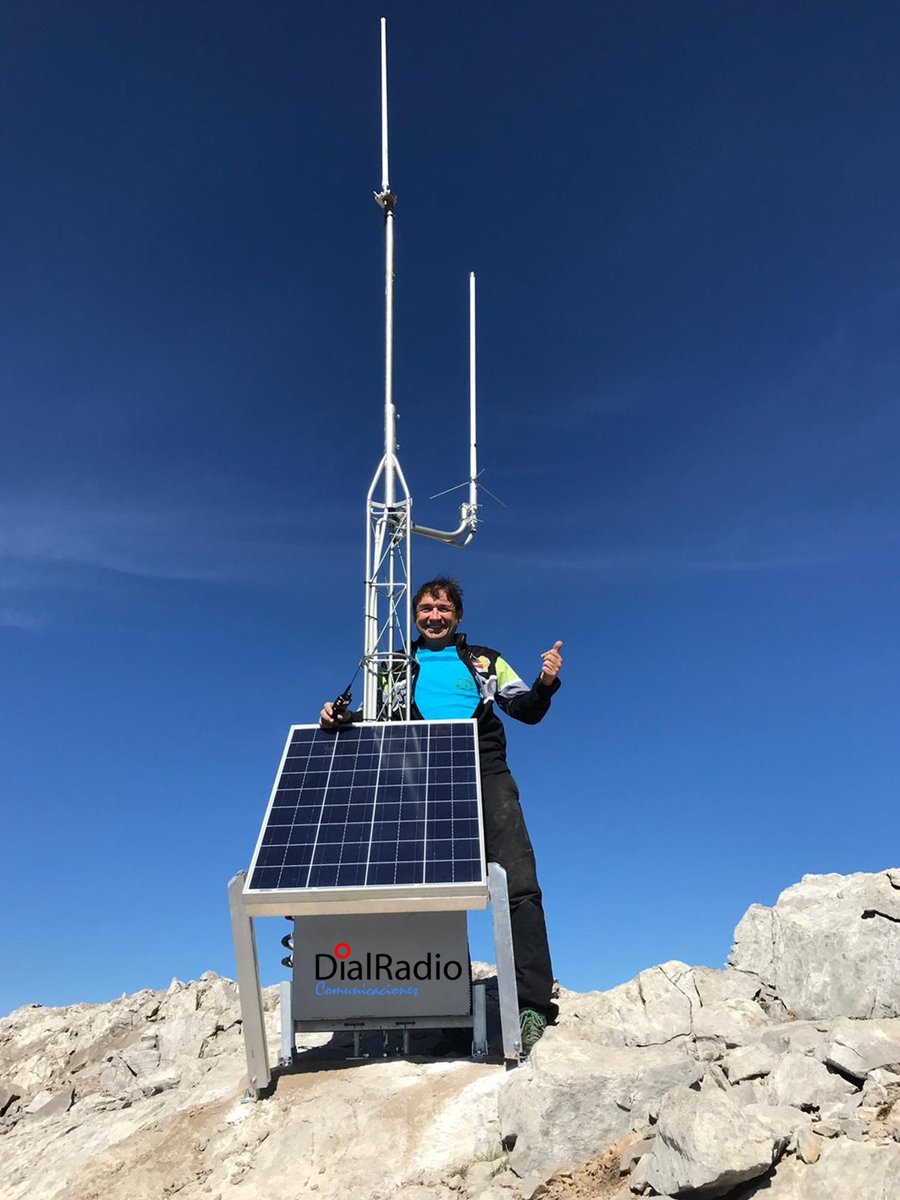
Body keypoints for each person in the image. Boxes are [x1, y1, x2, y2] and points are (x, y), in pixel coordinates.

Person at [320, 577, 562, 1055]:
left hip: (485, 770)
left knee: (518, 885)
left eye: (443, 608)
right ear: (415, 617)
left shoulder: (483, 660)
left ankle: (532, 1006)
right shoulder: (396, 667)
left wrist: (546, 683)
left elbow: (524, 709)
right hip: (422, 778)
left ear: (458, 616)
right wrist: (336, 716)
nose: (434, 616)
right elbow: (373, 718)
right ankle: (449, 1011)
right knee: (436, 891)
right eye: (426, 608)